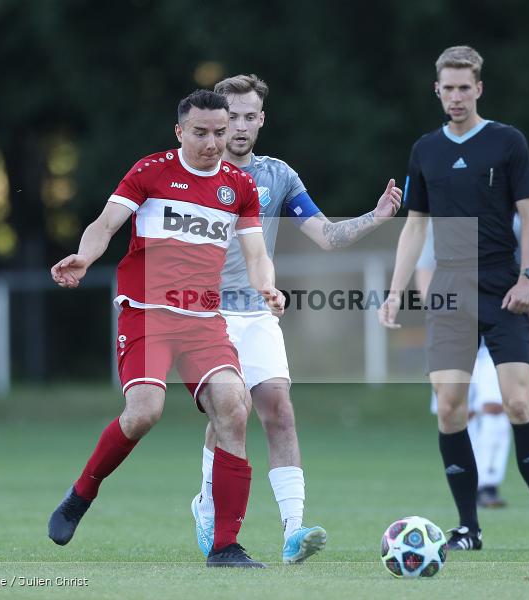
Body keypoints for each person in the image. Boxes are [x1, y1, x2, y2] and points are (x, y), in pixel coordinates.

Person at [47, 90, 286, 568]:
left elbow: (257, 254)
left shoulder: (238, 185)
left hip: (203, 320)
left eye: (220, 132)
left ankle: (224, 546)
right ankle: (82, 492)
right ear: (180, 132)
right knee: (144, 413)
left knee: (233, 409)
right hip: (147, 313)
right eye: (201, 132)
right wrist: (85, 256)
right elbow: (105, 223)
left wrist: (267, 289)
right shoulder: (151, 171)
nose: (213, 142)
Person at [189, 74, 403, 564]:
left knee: (279, 411)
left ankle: (293, 530)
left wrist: (375, 217)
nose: (239, 127)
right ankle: (208, 505)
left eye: (249, 117)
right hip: (205, 314)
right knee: (231, 410)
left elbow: (326, 235)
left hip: (260, 312)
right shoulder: (193, 172)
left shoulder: (277, 176)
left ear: (261, 119)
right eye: (231, 118)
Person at [379, 46, 529, 552]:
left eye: (466, 87)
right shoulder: (425, 150)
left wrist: (527, 277)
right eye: (449, 87)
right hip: (449, 293)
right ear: (437, 91)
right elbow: (415, 226)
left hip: (503, 289)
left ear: (479, 88)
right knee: (448, 410)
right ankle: (469, 528)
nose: (457, 96)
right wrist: (395, 292)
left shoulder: (507, 142)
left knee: (516, 401)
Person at [416, 216, 529, 509]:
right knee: (459, 411)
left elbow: (528, 278)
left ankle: (489, 483)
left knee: (499, 405)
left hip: (499, 328)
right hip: (456, 330)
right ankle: (472, 486)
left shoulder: (511, 222)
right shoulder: (437, 222)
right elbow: (424, 271)